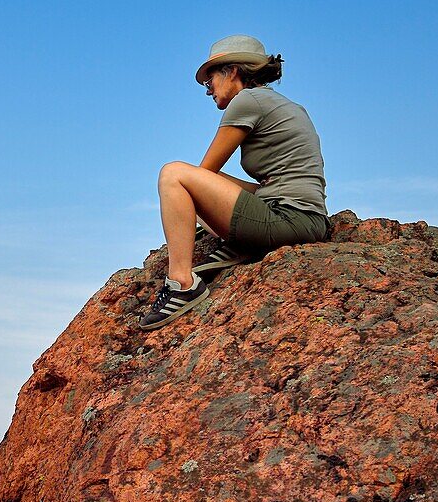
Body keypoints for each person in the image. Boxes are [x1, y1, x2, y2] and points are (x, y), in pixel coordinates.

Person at [139, 35, 330, 331]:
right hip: (302, 215)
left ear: (233, 72)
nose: (208, 91)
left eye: (210, 80)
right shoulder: (277, 102)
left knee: (174, 175)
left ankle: (182, 283)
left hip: (289, 219)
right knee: (196, 183)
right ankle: (242, 243)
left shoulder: (247, 100)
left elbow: (204, 171)